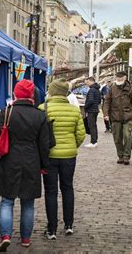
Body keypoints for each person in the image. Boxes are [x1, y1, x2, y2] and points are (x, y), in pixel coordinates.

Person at [0, 79, 50, 251]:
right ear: (32, 95)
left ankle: (6, 235)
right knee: (28, 202)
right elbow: (44, 145)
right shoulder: (40, 115)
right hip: (32, 160)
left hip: (10, 159)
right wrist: (44, 166)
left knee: (7, 201)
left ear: (16, 93)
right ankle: (25, 238)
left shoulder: (7, 111)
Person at [39, 78, 86, 240]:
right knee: (67, 188)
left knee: (50, 191)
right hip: (69, 156)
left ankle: (51, 228)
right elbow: (81, 134)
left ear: (51, 91)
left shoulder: (42, 109)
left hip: (49, 156)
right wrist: (72, 146)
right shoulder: (74, 111)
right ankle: (69, 225)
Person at [103, 72, 132, 165]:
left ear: (125, 78)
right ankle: (120, 155)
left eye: (120, 77)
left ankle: (126, 156)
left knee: (127, 136)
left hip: (128, 117)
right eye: (117, 77)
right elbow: (107, 102)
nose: (119, 79)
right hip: (115, 117)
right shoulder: (112, 88)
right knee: (117, 138)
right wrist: (105, 114)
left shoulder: (131, 89)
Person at [84, 77, 101, 148]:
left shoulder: (91, 90)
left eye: (87, 82)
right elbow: (99, 100)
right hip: (95, 109)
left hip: (91, 110)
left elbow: (90, 100)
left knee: (91, 126)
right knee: (94, 126)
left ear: (91, 81)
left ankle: (93, 142)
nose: (87, 84)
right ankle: (95, 141)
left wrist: (86, 107)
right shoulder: (97, 90)